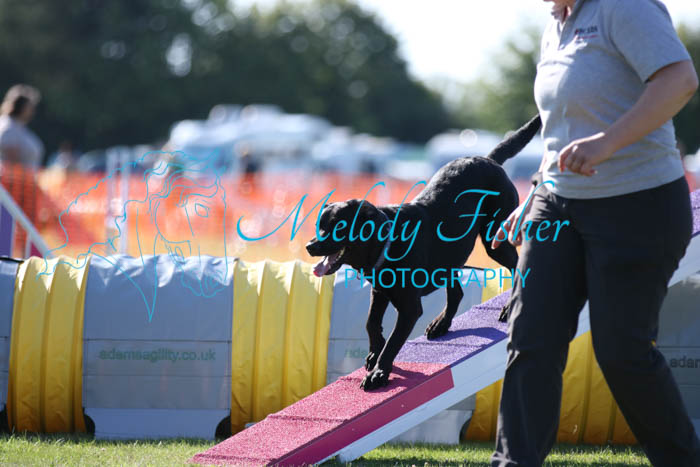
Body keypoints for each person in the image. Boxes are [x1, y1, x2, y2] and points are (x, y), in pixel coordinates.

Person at [489, 0, 700, 465]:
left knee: (622, 353)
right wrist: (534, 195)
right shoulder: (555, 24)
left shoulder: (623, 7)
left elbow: (680, 80)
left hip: (638, 203)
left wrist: (607, 143)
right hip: (557, 204)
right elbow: (562, 128)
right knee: (531, 338)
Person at [0, 84, 44, 168]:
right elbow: (12, 165)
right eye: (30, 106)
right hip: (14, 176)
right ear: (21, 106)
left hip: (26, 175)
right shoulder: (8, 127)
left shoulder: (18, 126)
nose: (32, 110)